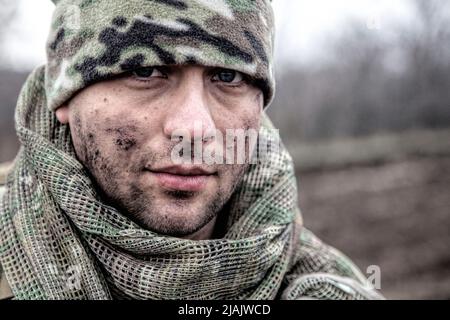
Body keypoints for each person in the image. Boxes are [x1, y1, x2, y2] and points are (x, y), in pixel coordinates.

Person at [0, 0, 382, 300]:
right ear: (63, 96)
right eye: (145, 71)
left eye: (227, 76)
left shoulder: (327, 284)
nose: (194, 129)